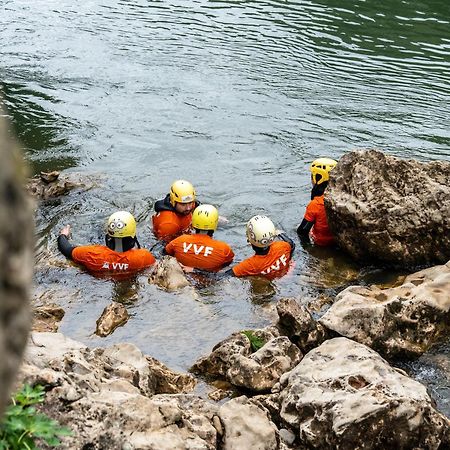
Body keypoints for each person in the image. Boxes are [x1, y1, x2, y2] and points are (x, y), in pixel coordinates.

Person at [58, 211, 156, 276]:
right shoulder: (144, 257)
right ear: (133, 235)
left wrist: (63, 235)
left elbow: (65, 249)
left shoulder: (91, 253)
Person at [165, 204, 234, 272]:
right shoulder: (224, 249)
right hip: (209, 281)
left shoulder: (179, 240)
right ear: (215, 223)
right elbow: (227, 266)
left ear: (193, 221)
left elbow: (165, 253)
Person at [231, 215, 295, 279]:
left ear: (249, 240)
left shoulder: (251, 265)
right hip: (287, 275)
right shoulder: (282, 246)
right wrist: (280, 234)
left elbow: (229, 274)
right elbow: (291, 244)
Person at [297, 158, 337, 246]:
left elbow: (302, 231)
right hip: (337, 242)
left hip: (321, 243)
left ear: (318, 178)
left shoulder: (316, 204)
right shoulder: (340, 198)